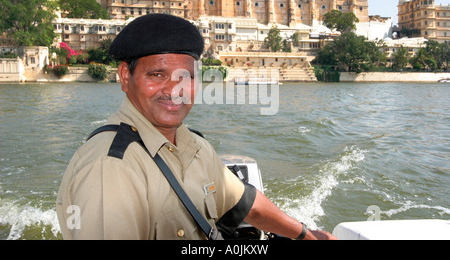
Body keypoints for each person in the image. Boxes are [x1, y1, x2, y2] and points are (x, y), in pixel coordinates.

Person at [56, 14, 336, 240]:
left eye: (184, 77)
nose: (174, 89)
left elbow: (245, 204)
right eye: (156, 75)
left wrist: (306, 235)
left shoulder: (193, 145)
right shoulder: (111, 167)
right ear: (125, 77)